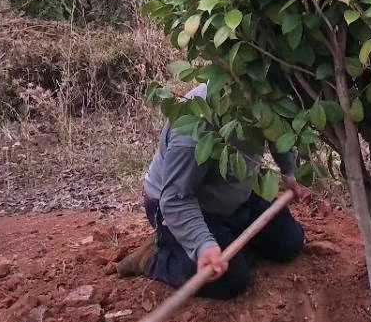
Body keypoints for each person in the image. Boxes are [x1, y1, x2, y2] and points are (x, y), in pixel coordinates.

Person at [131, 83, 309, 299]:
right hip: (180, 204)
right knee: (230, 280)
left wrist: (289, 172)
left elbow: (276, 133)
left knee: (289, 243)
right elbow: (175, 199)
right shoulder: (195, 124)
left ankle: (226, 239)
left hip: (234, 194)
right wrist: (203, 244)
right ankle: (154, 257)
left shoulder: (265, 92)